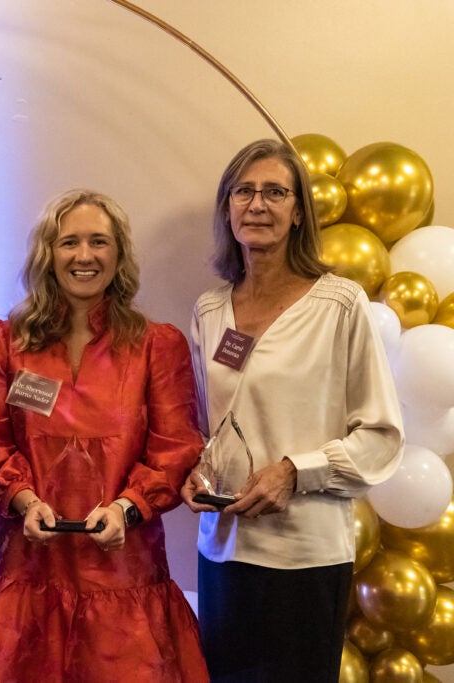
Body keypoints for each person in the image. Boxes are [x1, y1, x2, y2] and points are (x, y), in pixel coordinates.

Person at [0, 189, 208, 682]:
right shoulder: (7, 341)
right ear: (48, 253)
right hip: (27, 573)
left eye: (98, 242)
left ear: (118, 255)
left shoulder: (158, 345)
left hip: (123, 577)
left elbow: (176, 449)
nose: (84, 256)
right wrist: (23, 500)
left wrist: (125, 509)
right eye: (69, 242)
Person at [181, 138, 404, 681]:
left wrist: (295, 473)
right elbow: (201, 423)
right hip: (223, 552)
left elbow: (381, 436)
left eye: (275, 192)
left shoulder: (339, 304)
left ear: (299, 210)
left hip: (304, 556)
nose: (257, 204)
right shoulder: (209, 309)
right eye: (244, 192)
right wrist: (191, 468)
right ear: (227, 208)